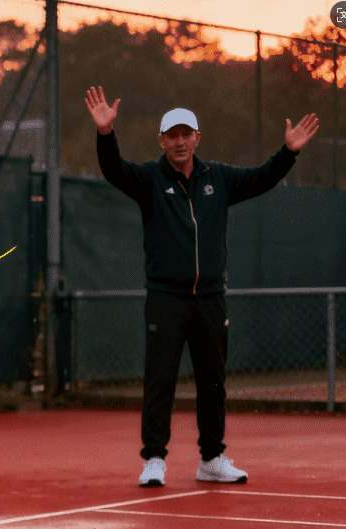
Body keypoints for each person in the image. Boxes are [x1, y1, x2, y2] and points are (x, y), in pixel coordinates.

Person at [83, 86, 320, 487]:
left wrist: (289, 152)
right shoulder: (149, 181)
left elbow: (262, 179)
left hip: (211, 299)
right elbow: (113, 170)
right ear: (162, 141)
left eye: (185, 134)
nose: (178, 141)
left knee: (213, 381)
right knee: (160, 379)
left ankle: (212, 458)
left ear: (197, 137)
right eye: (171, 135)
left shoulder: (220, 178)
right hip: (166, 298)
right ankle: (154, 459)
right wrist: (106, 134)